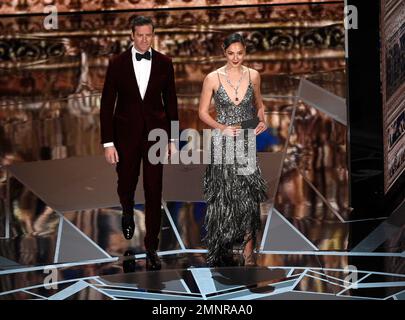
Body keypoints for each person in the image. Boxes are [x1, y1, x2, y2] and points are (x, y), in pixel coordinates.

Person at [100, 16, 178, 270]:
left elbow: (172, 103)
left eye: (149, 35)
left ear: (153, 35)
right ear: (132, 35)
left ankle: (152, 246)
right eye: (140, 35)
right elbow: (106, 105)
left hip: (157, 135)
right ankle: (126, 210)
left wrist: (174, 138)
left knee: (155, 190)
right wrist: (108, 142)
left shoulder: (165, 63)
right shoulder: (117, 63)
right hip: (125, 135)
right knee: (127, 182)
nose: (144, 40)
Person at [198, 33, 268, 267]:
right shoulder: (212, 78)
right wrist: (222, 128)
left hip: (246, 137)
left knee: (248, 194)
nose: (235, 57)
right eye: (231, 53)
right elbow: (202, 113)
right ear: (224, 52)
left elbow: (259, 104)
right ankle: (222, 246)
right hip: (223, 140)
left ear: (244, 52)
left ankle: (249, 251)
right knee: (224, 194)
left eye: (239, 53)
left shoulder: (254, 75)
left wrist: (262, 120)